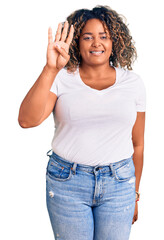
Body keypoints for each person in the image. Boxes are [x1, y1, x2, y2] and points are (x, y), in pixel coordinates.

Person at [18, 5, 146, 240]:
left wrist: (134, 194)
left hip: (119, 185)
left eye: (103, 36)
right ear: (77, 42)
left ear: (115, 41)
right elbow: (27, 120)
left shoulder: (133, 83)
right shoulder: (61, 78)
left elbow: (138, 145)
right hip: (67, 183)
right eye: (88, 37)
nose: (96, 43)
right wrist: (50, 69)